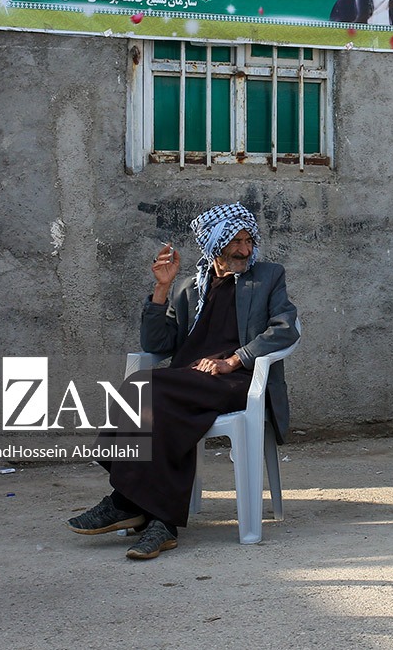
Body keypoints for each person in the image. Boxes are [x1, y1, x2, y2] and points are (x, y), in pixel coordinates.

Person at [67, 203, 299, 560]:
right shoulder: (190, 287)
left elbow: (285, 328)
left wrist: (234, 360)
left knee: (154, 393)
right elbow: (157, 343)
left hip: (238, 381)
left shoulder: (267, 277)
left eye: (249, 241)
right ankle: (157, 520)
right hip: (190, 380)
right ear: (214, 243)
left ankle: (127, 503)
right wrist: (162, 289)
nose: (245, 250)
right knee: (144, 392)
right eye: (235, 242)